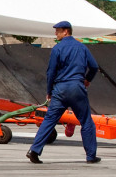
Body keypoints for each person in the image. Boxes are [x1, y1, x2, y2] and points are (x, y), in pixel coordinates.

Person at [26, 21, 101, 164]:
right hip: (77, 88)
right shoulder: (82, 47)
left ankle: (34, 151)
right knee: (86, 122)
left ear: (66, 31)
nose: (56, 33)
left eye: (58, 31)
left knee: (49, 120)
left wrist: (49, 91)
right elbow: (94, 66)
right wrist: (87, 80)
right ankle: (91, 156)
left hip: (60, 90)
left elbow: (51, 72)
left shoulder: (57, 49)